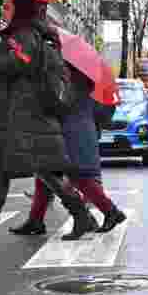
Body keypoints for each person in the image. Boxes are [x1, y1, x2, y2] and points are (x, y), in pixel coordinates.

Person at [0, 0, 95, 247]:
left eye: (9, 6)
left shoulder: (25, 35)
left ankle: (79, 213)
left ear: (21, 10)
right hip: (17, 116)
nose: (5, 10)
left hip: (22, 118)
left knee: (21, 171)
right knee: (11, 172)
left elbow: (17, 64)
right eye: (4, 6)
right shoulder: (23, 34)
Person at [14, 68, 127, 235]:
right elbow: (102, 114)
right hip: (80, 134)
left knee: (78, 177)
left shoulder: (74, 85)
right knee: (45, 175)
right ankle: (35, 219)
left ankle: (110, 211)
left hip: (73, 137)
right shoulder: (89, 87)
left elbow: (59, 109)